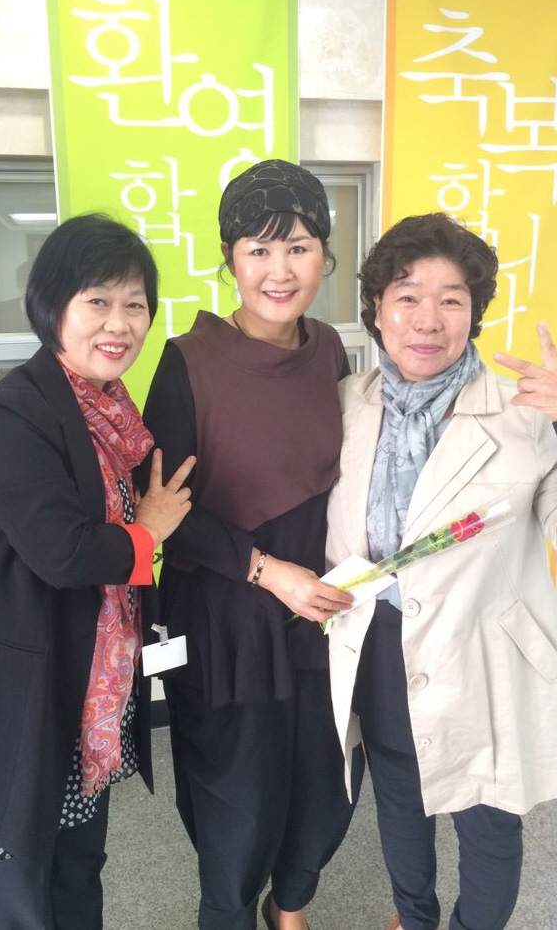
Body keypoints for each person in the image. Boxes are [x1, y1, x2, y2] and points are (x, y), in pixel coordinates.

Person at [0, 213, 195, 930]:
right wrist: (149, 531)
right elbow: (63, 552)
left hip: (81, 698)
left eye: (135, 304)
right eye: (97, 300)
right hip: (11, 702)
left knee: (75, 875)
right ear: (51, 306)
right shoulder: (12, 413)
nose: (119, 323)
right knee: (17, 899)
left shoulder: (113, 416)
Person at [325, 211, 557, 930]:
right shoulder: (347, 403)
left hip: (484, 658)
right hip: (380, 649)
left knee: (488, 826)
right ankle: (414, 919)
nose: (428, 319)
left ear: (474, 313)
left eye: (451, 299)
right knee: (399, 803)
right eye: (407, 296)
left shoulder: (525, 414)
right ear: (377, 309)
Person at [141, 159, 362, 930]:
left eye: (298, 247)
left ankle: (288, 905)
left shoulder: (330, 349)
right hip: (227, 612)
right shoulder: (187, 360)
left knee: (327, 786)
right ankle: (230, 912)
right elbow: (165, 510)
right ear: (228, 258)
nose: (280, 269)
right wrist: (271, 572)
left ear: (325, 254)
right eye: (259, 249)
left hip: (321, 611)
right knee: (237, 804)